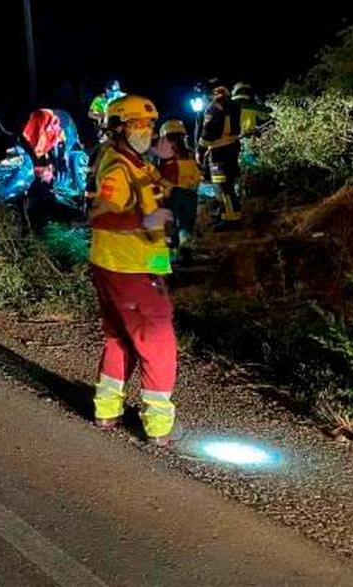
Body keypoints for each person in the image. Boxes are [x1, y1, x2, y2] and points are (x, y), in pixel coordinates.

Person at [88, 94, 181, 446]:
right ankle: (158, 426)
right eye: (139, 124)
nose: (147, 131)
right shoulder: (117, 167)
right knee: (158, 340)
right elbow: (100, 214)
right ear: (118, 127)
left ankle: (107, 410)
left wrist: (169, 160)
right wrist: (144, 219)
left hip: (133, 263)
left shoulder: (135, 161)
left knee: (120, 336)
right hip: (129, 267)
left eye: (150, 124)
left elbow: (167, 187)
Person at [154, 119, 203, 264]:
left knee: (170, 225)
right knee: (186, 225)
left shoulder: (162, 157)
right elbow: (197, 175)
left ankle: (172, 256)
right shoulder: (190, 153)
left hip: (171, 194)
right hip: (189, 194)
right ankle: (186, 254)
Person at [197, 83, 244, 229]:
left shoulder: (214, 108)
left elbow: (208, 132)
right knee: (226, 185)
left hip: (218, 152)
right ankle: (225, 214)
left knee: (223, 187)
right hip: (230, 148)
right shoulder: (234, 105)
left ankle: (231, 220)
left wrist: (200, 148)